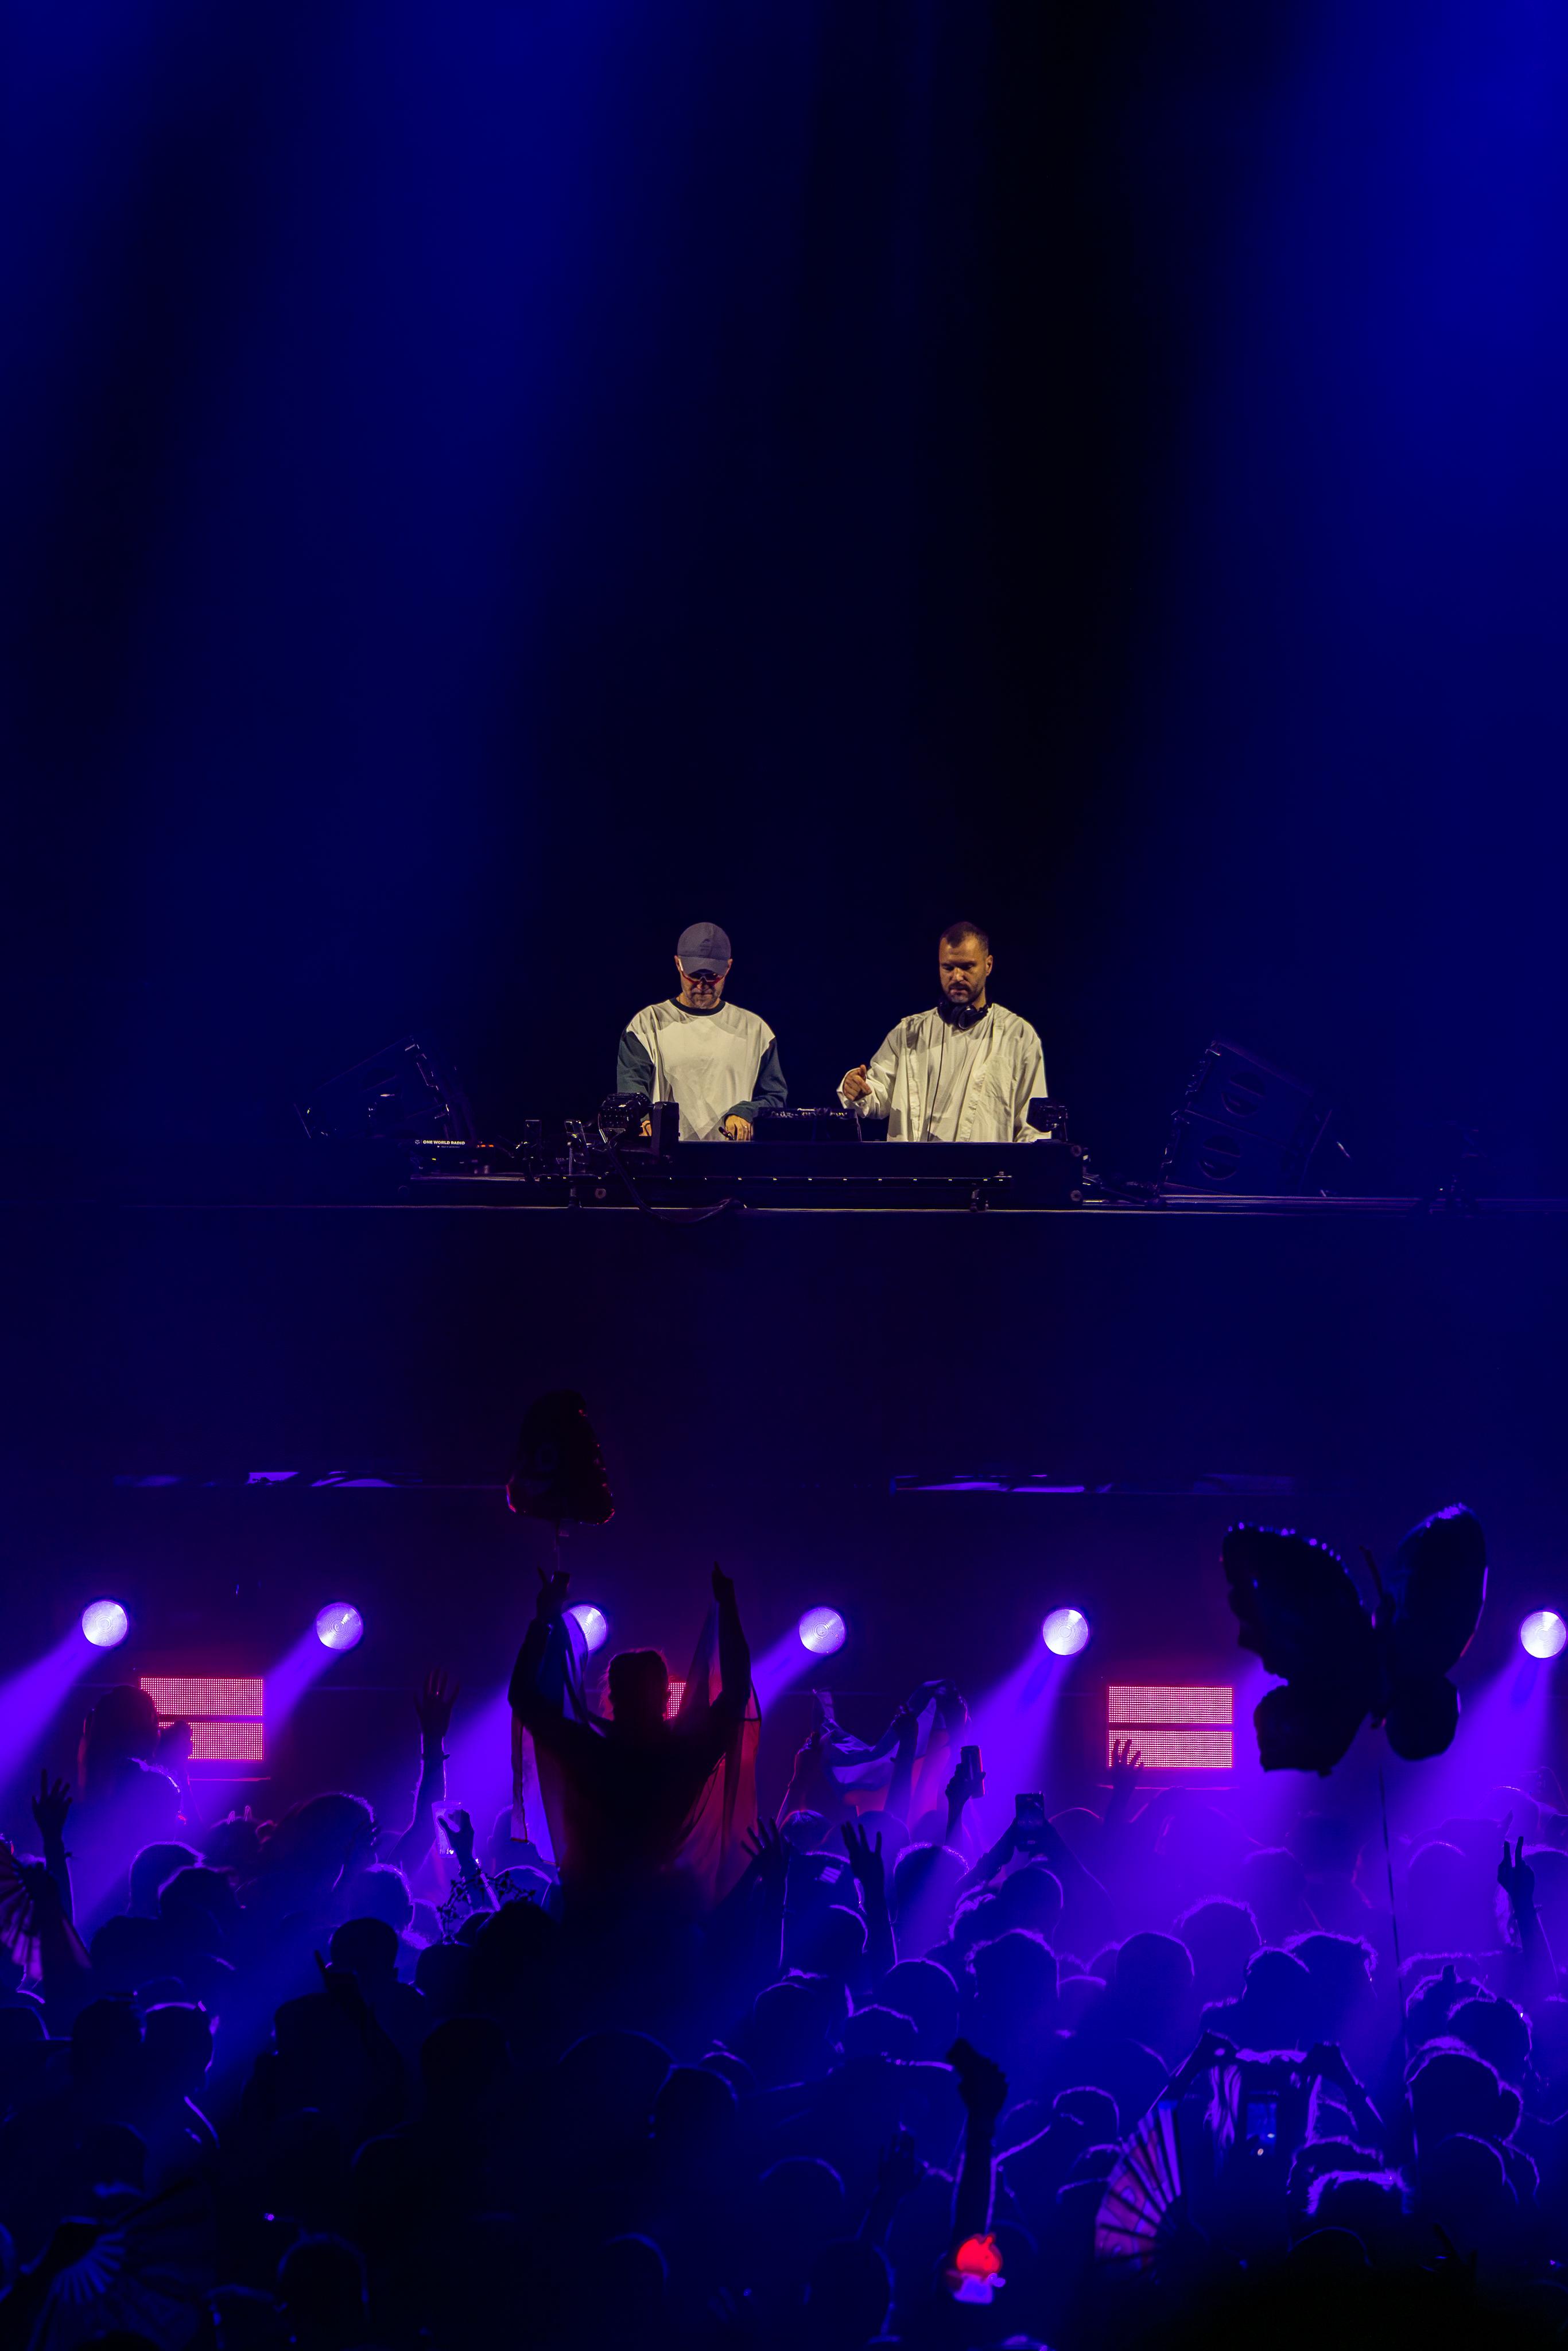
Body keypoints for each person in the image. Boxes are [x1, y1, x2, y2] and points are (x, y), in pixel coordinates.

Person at [508, 1564, 753, 1906]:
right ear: (666, 1697)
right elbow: (737, 1693)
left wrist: (544, 1620)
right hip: (659, 1914)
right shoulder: (681, 1760)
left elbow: (523, 1697)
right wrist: (727, 1607)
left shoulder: (591, 1754)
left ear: (611, 1697)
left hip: (594, 1912)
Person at [837, 921, 1047, 1143]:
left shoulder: (1018, 1036)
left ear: (988, 965)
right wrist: (858, 1090)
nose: (956, 977)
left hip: (984, 1166)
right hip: (912, 1166)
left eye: (967, 967)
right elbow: (877, 1094)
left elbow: (1034, 1129)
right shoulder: (908, 1033)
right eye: (948, 968)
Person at [615, 921, 786, 1142]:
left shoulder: (755, 1030)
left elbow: (775, 1097)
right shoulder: (647, 1025)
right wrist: (644, 1120)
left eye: (712, 976)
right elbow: (631, 1094)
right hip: (668, 1158)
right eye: (695, 975)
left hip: (731, 1158)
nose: (703, 984)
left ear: (728, 968)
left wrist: (746, 1113)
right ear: (678, 964)